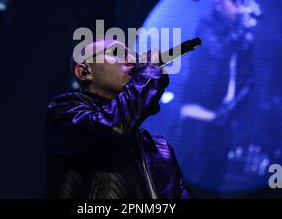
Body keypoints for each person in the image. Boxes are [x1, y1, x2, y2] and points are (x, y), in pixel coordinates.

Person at [46, 38, 193, 199]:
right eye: (117, 52)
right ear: (85, 71)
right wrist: (149, 71)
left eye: (135, 56)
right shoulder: (65, 111)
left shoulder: (160, 149)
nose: (133, 62)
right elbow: (110, 127)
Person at [178, 0, 257, 191]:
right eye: (233, 0)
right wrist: (241, 29)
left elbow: (248, 78)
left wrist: (233, 110)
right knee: (186, 179)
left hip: (223, 120)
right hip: (198, 115)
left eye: (241, 0)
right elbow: (218, 53)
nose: (239, 6)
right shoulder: (205, 27)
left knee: (211, 181)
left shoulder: (243, 37)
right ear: (218, 4)